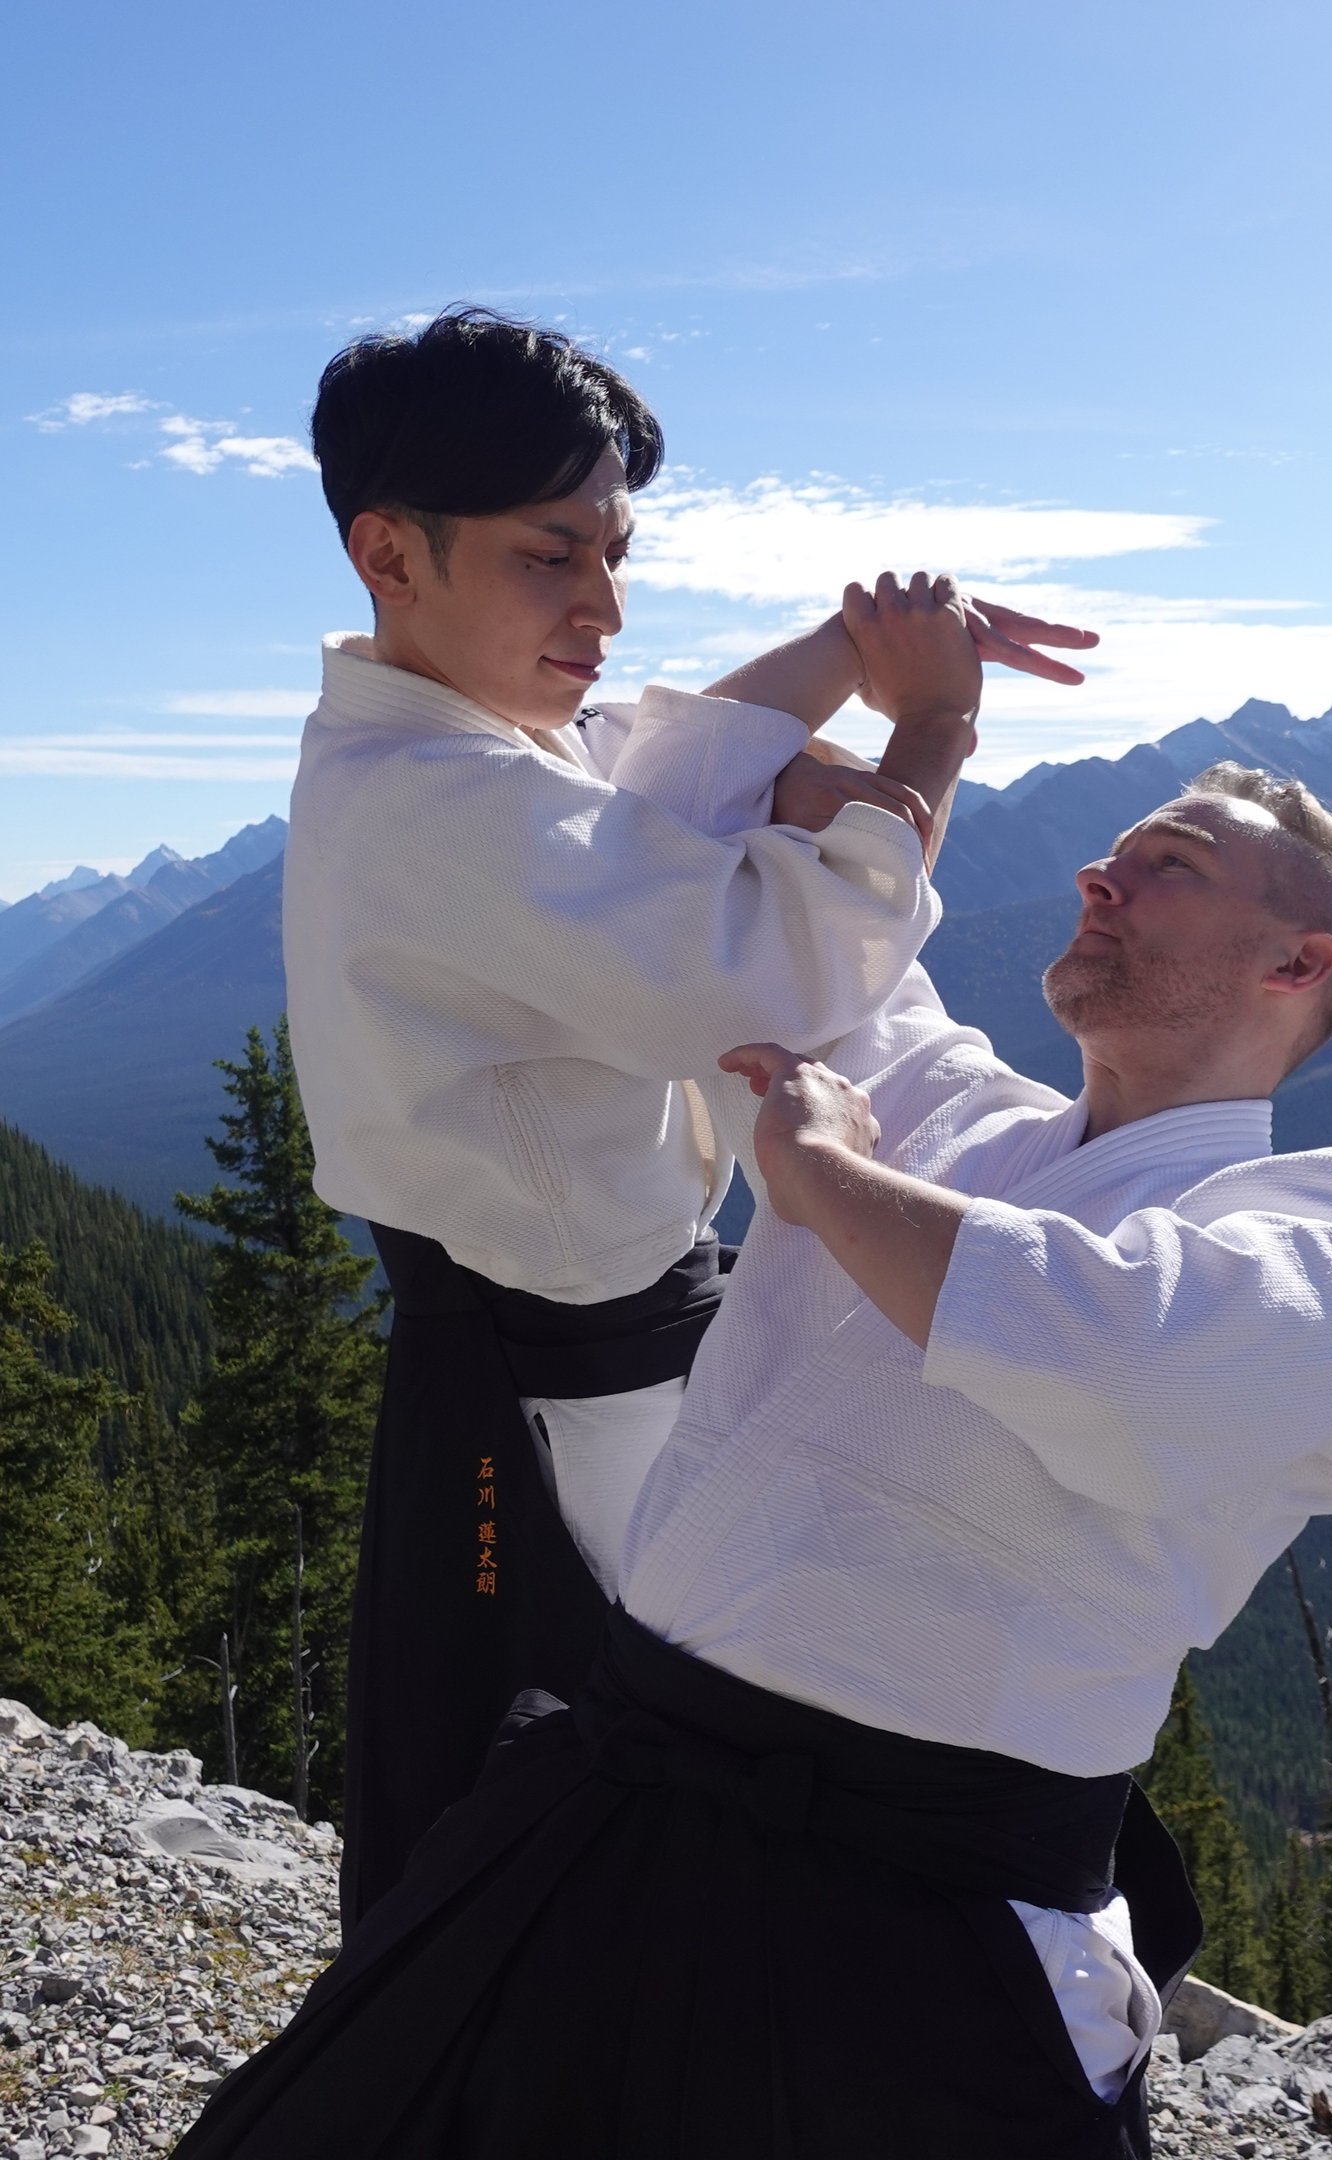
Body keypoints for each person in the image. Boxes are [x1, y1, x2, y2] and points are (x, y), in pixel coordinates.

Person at [173, 615, 1332, 2159]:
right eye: (1110, 855)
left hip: (926, 1916)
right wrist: (884, 689)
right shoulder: (936, 1098)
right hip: (614, 1796)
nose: (1098, 876)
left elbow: (1127, 1365)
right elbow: (676, 804)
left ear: (1298, 964)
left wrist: (829, 1179)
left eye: (1167, 864)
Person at [288, 305, 1097, 1928]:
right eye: (550, 556)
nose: (603, 604)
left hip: (569, 1355)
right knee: (660, 1766)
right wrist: (928, 734)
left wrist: (850, 653)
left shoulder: (447, 749)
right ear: (389, 553)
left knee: (598, 1775)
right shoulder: (448, 803)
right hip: (570, 1396)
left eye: (616, 553)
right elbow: (780, 968)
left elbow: (652, 771)